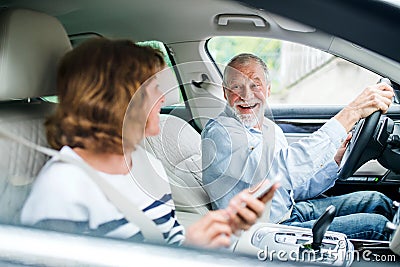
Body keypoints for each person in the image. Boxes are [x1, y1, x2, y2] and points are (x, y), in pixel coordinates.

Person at [20, 39, 278, 248]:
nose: (164, 100)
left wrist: (223, 228)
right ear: (120, 100)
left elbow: (168, 246)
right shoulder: (62, 190)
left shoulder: (146, 164)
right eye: (155, 89)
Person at [201, 53, 396, 241]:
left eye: (255, 84)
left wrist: (335, 161)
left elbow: (292, 185)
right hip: (260, 231)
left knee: (377, 202)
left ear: (267, 90)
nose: (246, 94)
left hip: (287, 211)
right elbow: (276, 171)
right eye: (236, 86)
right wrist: (350, 113)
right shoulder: (220, 134)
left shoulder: (270, 129)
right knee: (377, 226)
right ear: (225, 92)